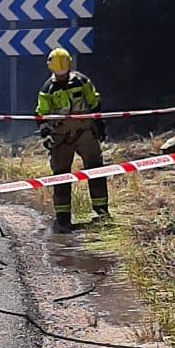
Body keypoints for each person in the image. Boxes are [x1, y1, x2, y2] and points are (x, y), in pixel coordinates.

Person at [36, 46, 109, 231]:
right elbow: (41, 114)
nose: (61, 76)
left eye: (64, 73)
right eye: (58, 73)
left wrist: (100, 125)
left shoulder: (82, 81)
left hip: (85, 131)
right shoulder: (48, 89)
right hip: (61, 137)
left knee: (96, 170)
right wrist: (45, 133)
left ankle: (101, 213)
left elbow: (94, 102)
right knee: (61, 176)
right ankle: (62, 219)